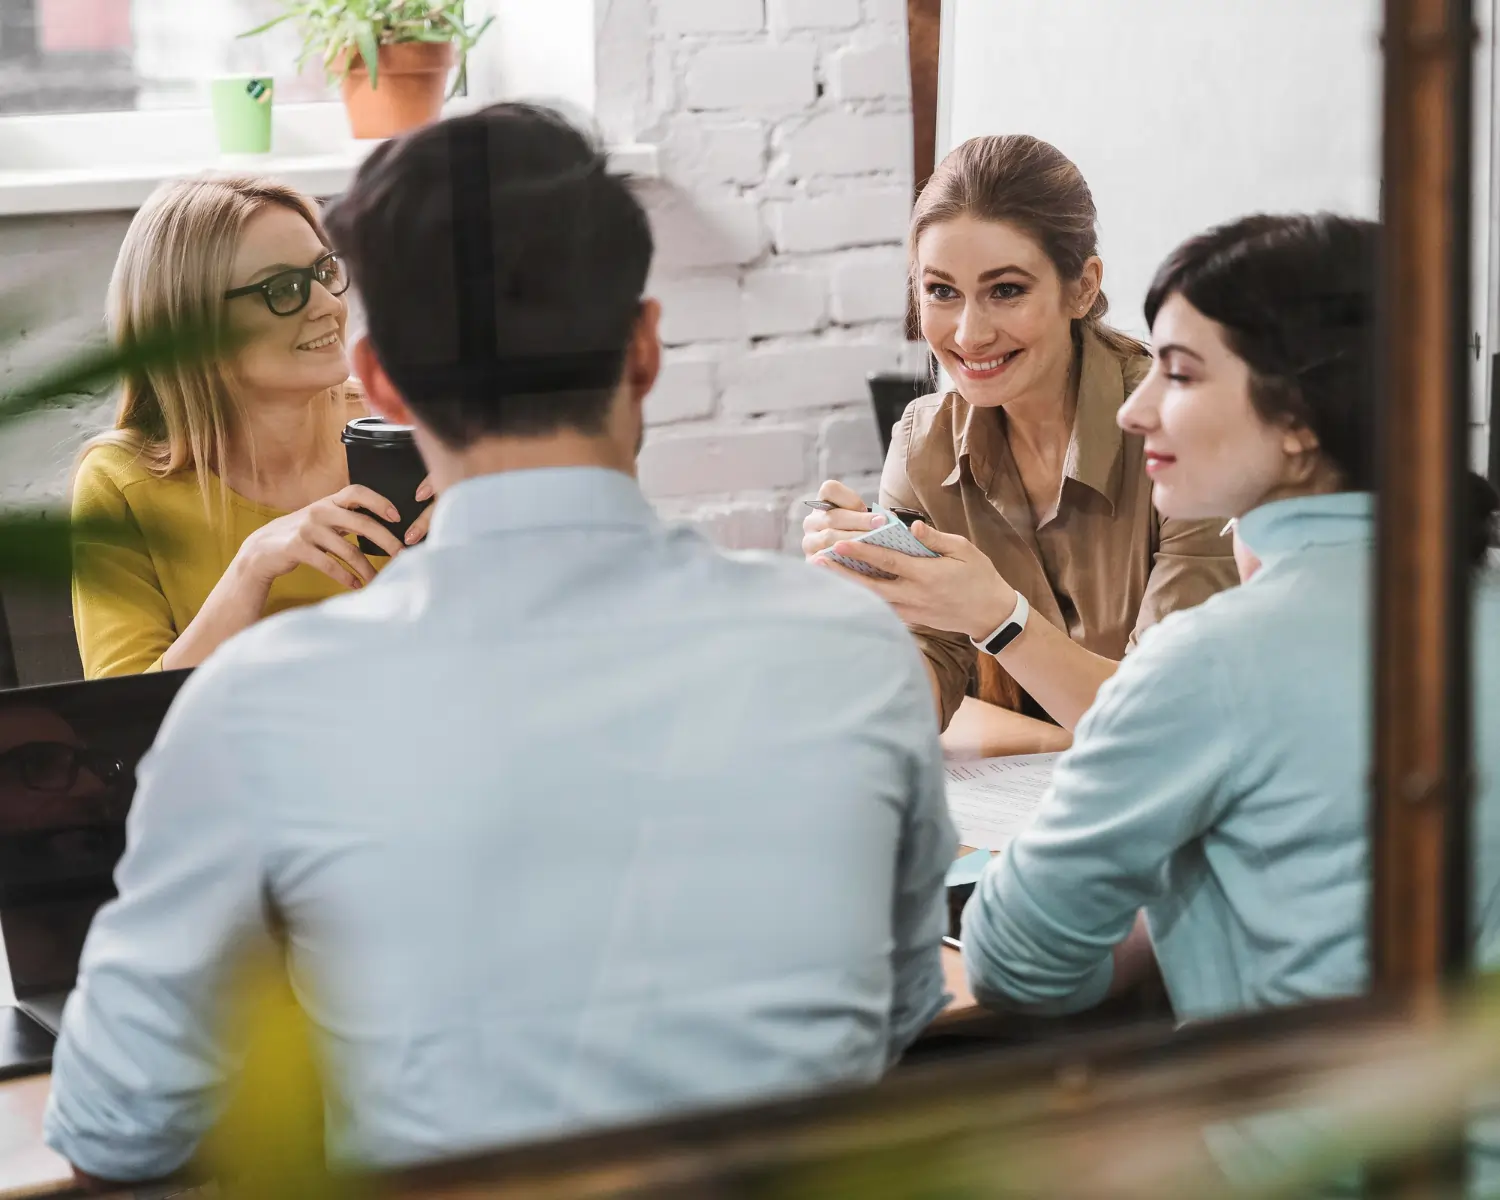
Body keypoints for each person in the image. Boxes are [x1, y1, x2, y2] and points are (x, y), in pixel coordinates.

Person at [43, 103, 956, 1184]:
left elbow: (114, 1123)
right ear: (648, 347)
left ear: (375, 381)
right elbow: (903, 1004)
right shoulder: (852, 650)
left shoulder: (254, 707)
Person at [960, 212, 1500, 1026]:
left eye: (1177, 375)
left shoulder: (1211, 663)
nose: (1133, 410)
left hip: (1318, 1150)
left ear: (1301, 419)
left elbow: (1015, 963)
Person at [802, 136, 1237, 757]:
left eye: (1005, 290)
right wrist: (864, 617)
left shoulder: (1184, 435)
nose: (970, 334)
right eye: (941, 292)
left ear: (1082, 287)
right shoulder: (923, 444)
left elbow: (1167, 721)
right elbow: (929, 670)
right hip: (1036, 789)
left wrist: (998, 618)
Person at [70, 175, 433, 679]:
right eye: (283, 289)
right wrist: (251, 569)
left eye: (324, 271)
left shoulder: (408, 422)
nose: (329, 304)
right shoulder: (120, 483)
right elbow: (121, 721)